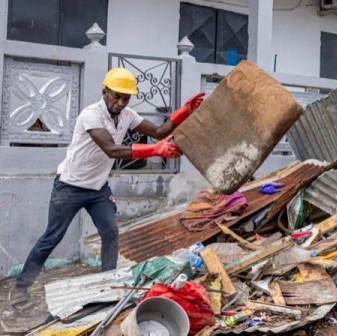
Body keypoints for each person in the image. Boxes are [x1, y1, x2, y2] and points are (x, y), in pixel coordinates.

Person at [9, 68, 205, 305]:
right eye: (116, 96)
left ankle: (107, 284)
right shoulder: (90, 115)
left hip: (98, 189)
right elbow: (111, 149)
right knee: (52, 237)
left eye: (126, 98)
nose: (121, 103)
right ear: (104, 92)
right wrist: (156, 150)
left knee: (110, 232)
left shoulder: (128, 115)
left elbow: (158, 131)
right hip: (69, 187)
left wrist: (185, 111)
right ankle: (20, 289)